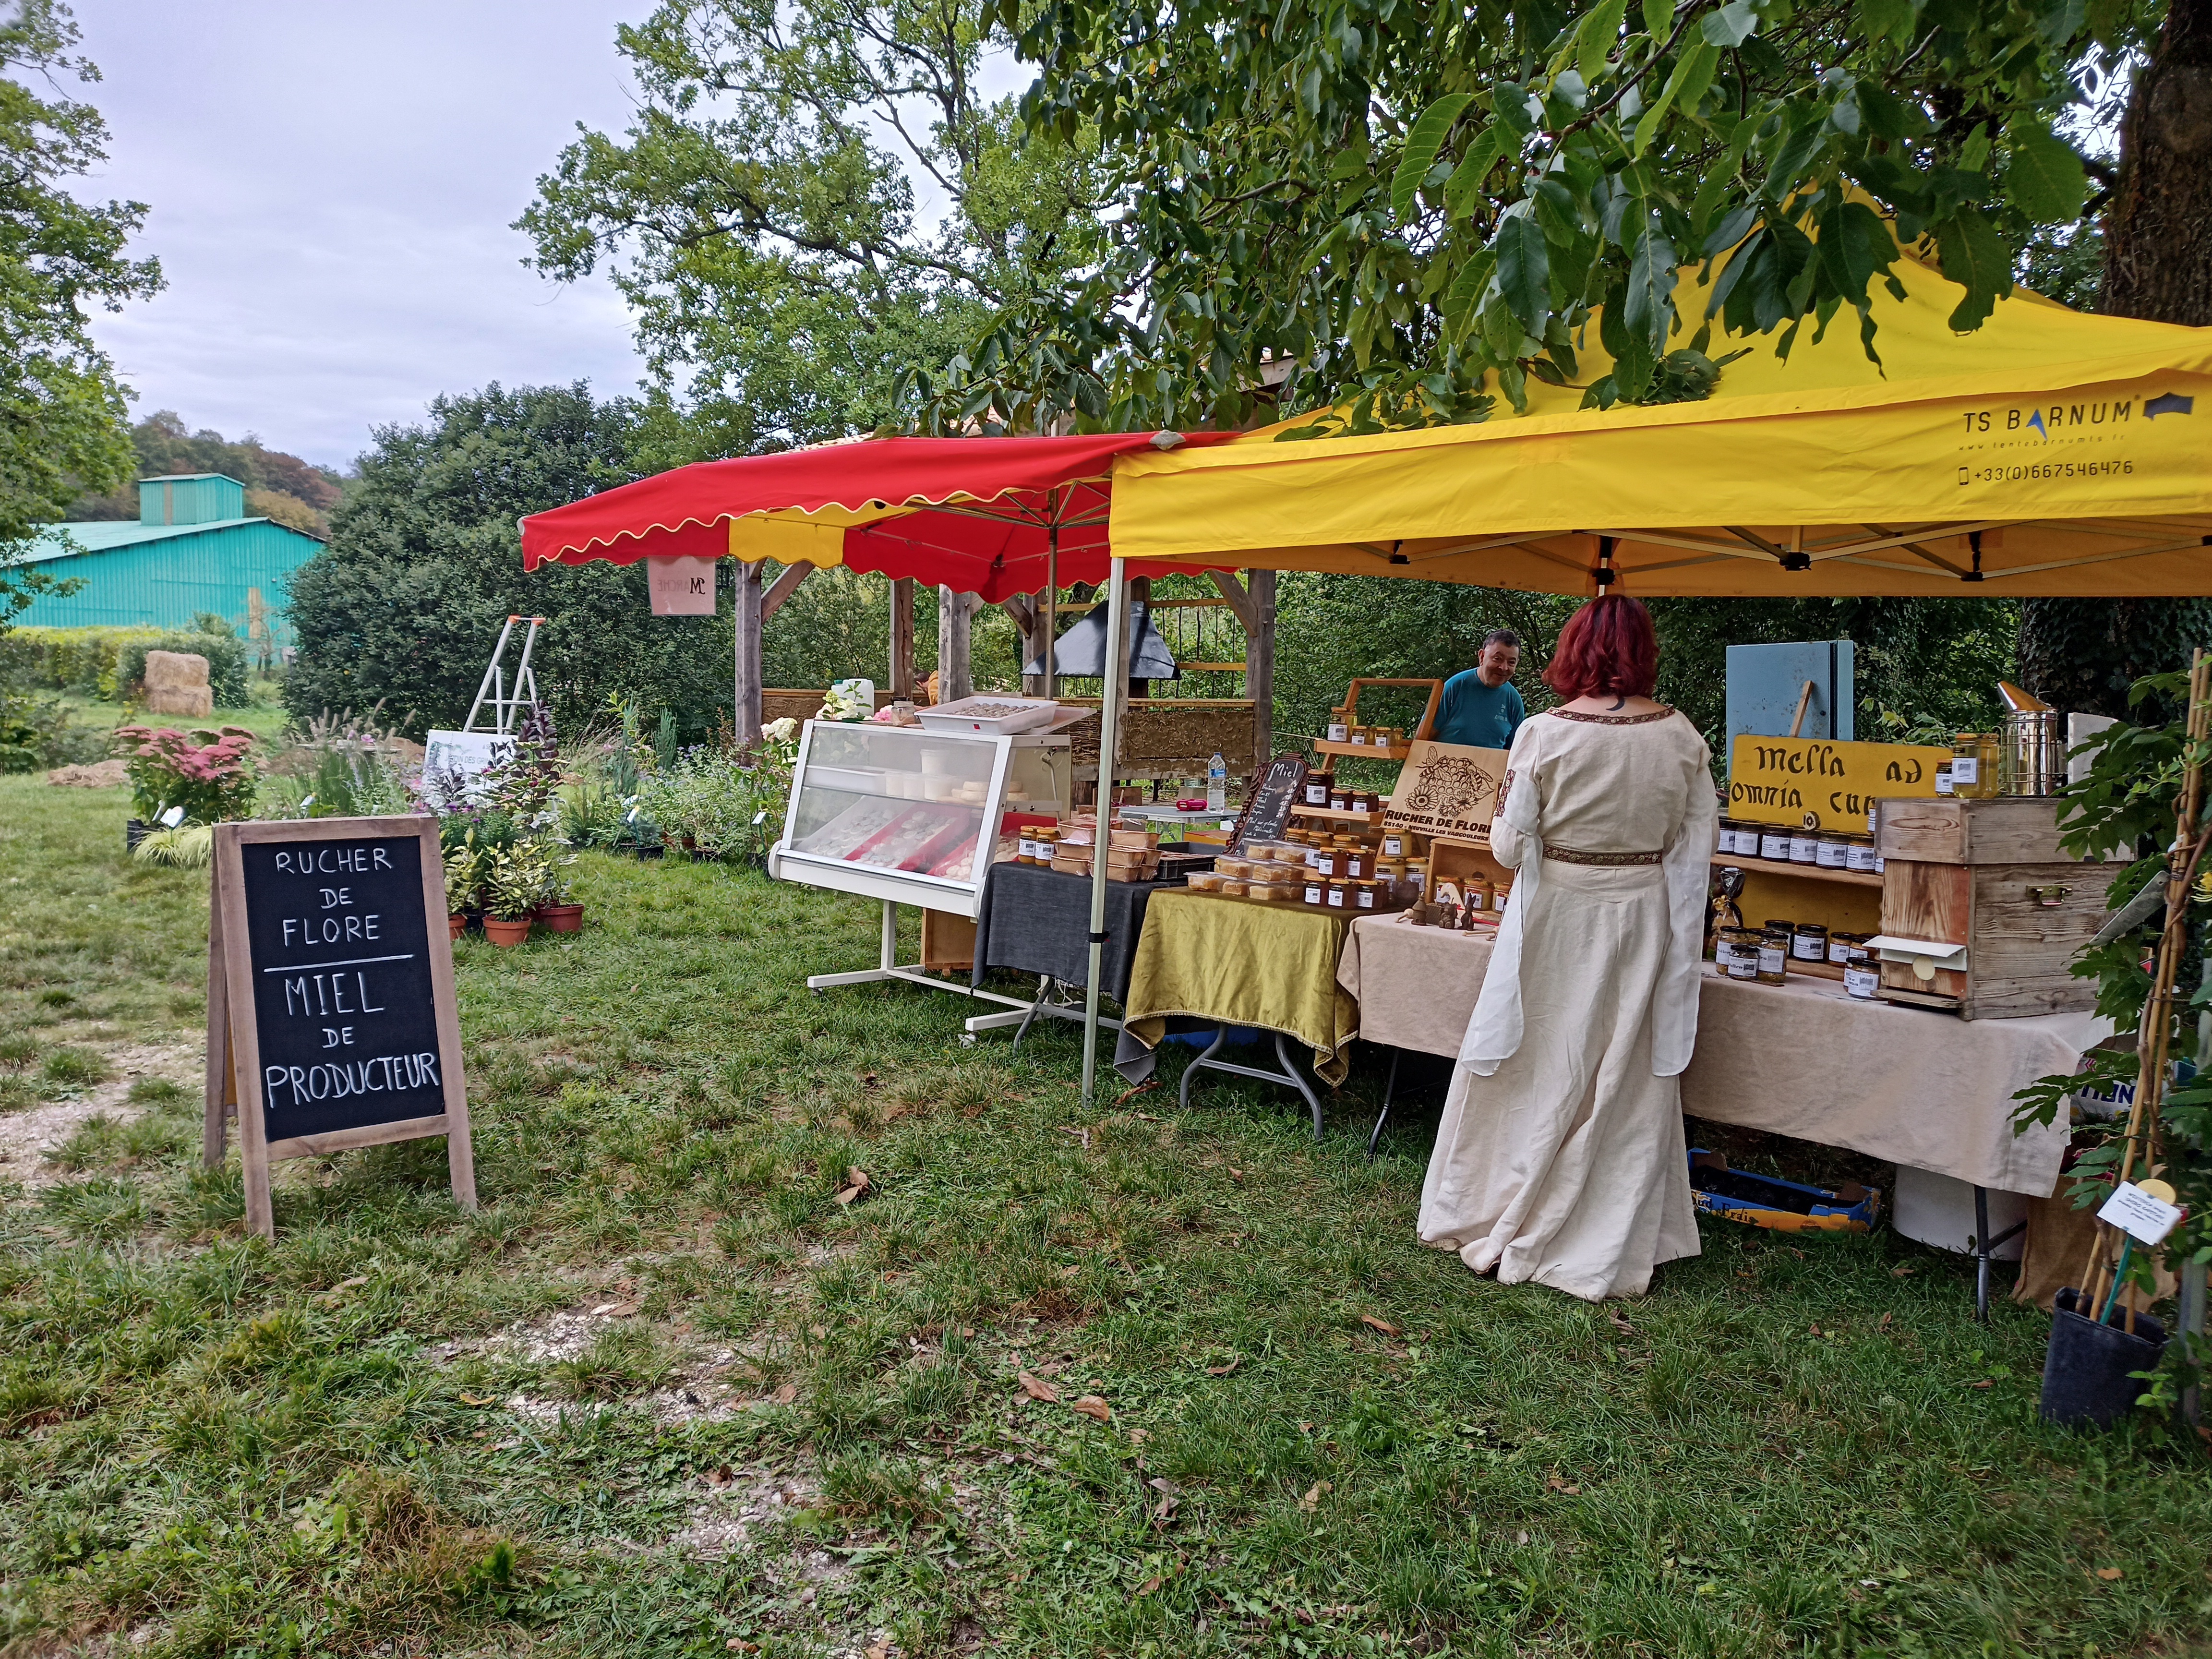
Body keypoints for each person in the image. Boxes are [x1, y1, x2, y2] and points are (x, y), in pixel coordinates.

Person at [1416, 596, 1717, 1301]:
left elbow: (1509, 846)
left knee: (1537, 1051)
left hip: (1556, 912)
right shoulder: (1683, 737)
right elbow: (1696, 851)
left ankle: (1493, 1201)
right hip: (1642, 912)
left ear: (1572, 653)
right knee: (1621, 1063)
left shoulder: (1544, 733)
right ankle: (1605, 1220)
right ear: (1645, 653)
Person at [1433, 629, 1525, 750]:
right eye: (1497, 659)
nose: (1504, 668)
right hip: (1447, 765)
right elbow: (1423, 737)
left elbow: (1515, 752)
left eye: (1511, 663)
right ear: (1482, 656)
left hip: (1491, 767)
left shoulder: (1513, 700)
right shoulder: (1455, 687)